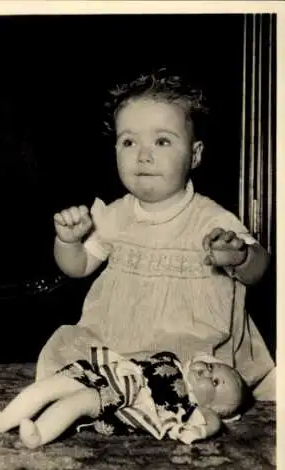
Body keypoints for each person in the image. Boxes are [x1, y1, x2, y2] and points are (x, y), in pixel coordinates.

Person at [35, 68, 275, 401]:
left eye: (162, 141)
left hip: (192, 343)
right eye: (129, 141)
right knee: (74, 368)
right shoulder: (115, 215)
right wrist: (68, 241)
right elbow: (77, 267)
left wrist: (240, 257)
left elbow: (261, 269)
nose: (143, 155)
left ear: (195, 155)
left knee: (195, 389)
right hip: (117, 338)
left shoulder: (212, 219)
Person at [0, 350, 249, 448]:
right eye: (213, 367)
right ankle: (4, 420)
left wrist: (210, 421)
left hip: (123, 398)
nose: (208, 371)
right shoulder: (175, 361)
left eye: (214, 382)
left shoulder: (187, 406)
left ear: (209, 406)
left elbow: (212, 423)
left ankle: (39, 434)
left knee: (79, 401)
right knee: (50, 386)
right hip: (109, 372)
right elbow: (143, 356)